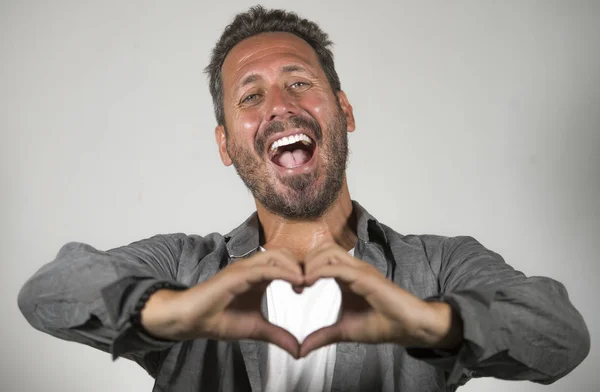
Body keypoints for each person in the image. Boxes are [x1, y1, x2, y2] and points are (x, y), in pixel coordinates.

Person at [18, 6, 590, 392]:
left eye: (298, 82)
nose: (278, 107)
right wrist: (172, 313)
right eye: (250, 95)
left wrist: (430, 324)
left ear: (343, 111)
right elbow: (48, 293)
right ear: (226, 144)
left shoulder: (436, 269)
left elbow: (561, 336)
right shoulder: (185, 268)